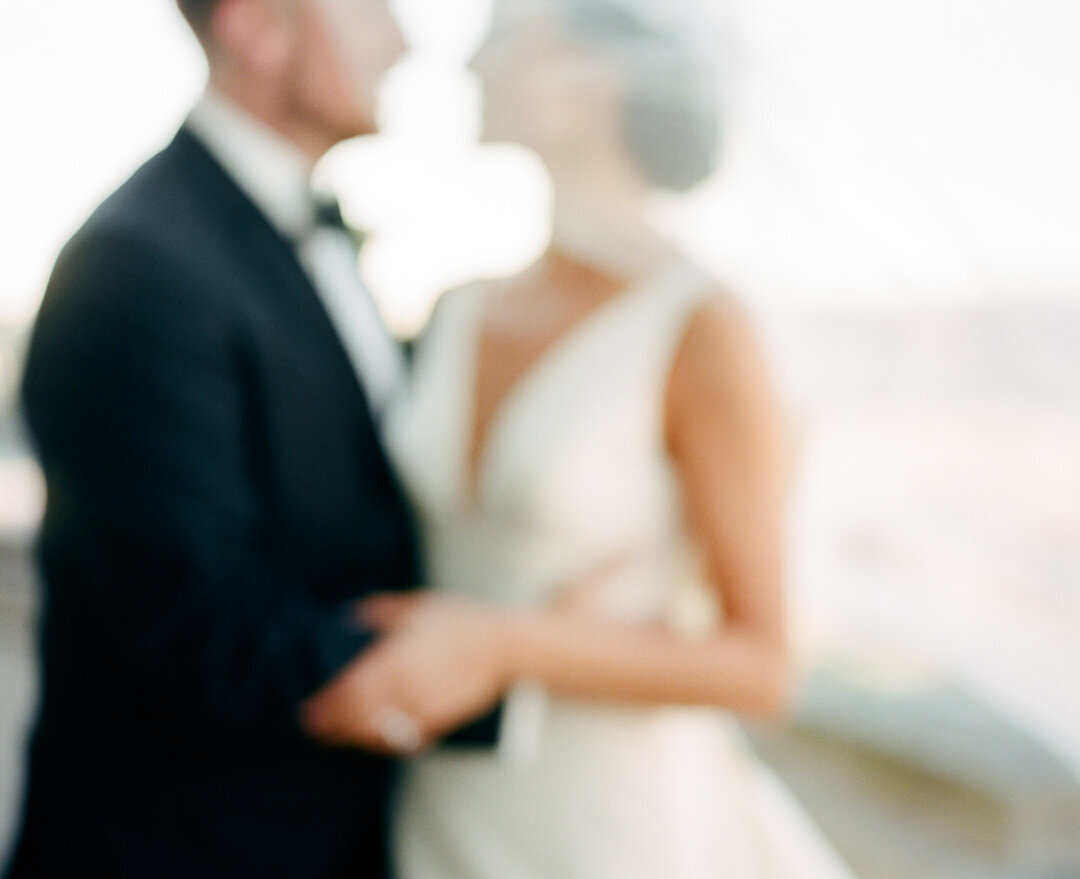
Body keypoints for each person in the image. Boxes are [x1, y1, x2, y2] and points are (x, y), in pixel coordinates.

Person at [333, 0, 862, 875]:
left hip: (602, 817)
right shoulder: (461, 305)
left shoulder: (697, 323)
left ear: (595, 82)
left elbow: (763, 664)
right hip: (438, 801)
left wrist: (506, 642)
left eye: (507, 36)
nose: (468, 66)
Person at [5, 1, 516, 876]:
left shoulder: (297, 233)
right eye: (368, 10)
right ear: (257, 28)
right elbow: (208, 633)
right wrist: (523, 667)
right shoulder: (137, 264)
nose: (401, 42)